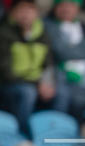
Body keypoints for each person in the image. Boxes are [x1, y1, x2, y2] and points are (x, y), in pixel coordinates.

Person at [0, 0, 62, 136]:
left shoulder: (42, 33)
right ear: (13, 13)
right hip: (11, 84)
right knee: (27, 93)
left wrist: (48, 83)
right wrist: (37, 84)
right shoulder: (4, 33)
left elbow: (49, 64)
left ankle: (54, 134)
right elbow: (5, 71)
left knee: (61, 92)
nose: (26, 15)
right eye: (21, 10)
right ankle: (23, 135)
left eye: (30, 10)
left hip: (36, 83)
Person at [44, 0, 85, 120]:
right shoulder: (48, 25)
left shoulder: (83, 27)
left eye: (71, 5)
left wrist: (71, 50)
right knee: (68, 97)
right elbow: (60, 51)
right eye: (62, 5)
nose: (66, 9)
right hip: (57, 75)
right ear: (55, 7)